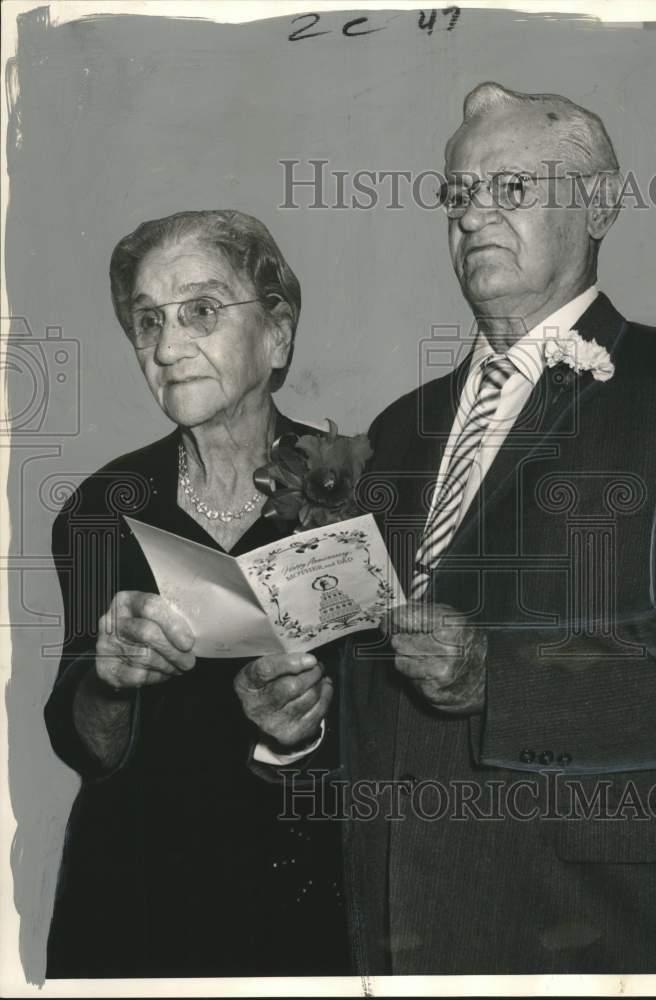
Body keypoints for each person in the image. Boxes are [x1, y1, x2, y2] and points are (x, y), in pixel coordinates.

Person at [258, 83, 656, 973]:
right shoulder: (398, 428)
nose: (473, 217)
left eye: (513, 190)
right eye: (457, 196)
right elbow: (375, 683)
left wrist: (501, 676)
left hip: (589, 930)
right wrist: (295, 727)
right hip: (389, 927)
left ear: (600, 203)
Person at [44, 209, 350, 978]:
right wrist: (108, 682)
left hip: (302, 911)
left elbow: (400, 748)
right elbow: (87, 745)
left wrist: (296, 734)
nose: (168, 348)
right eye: (147, 322)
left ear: (277, 333)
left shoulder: (354, 493)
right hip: (130, 910)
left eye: (201, 312)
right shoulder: (99, 507)